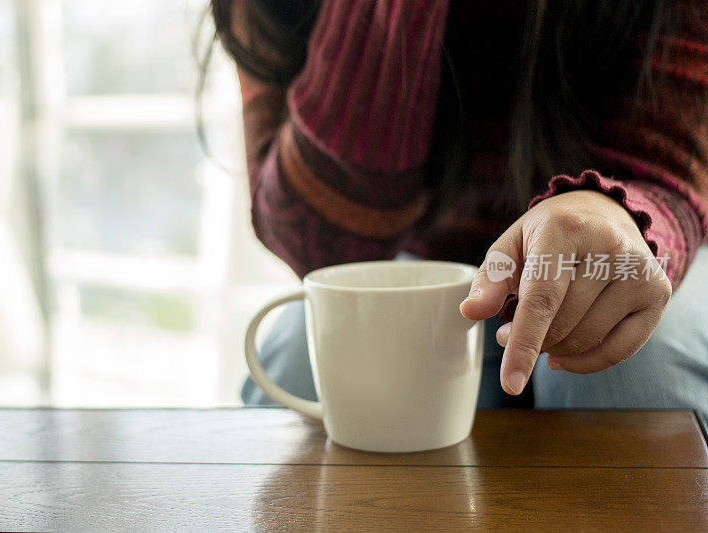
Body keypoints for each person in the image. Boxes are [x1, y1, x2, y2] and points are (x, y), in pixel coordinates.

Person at [209, 1, 708, 412]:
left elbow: (672, 163)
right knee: (300, 358)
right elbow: (318, 246)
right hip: (422, 254)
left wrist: (617, 219)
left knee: (640, 366)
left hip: (627, 232)